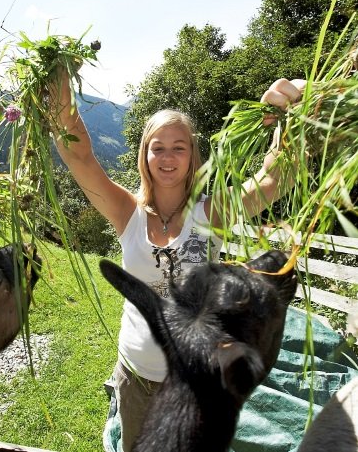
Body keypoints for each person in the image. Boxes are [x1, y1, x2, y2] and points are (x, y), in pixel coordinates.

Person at [47, 70, 305, 452]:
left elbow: (272, 180)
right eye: (158, 147)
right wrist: (58, 91)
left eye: (179, 147)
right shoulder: (126, 213)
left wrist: (286, 121)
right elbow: (79, 155)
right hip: (135, 376)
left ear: (191, 156)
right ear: (145, 154)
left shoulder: (211, 213)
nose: (168, 157)